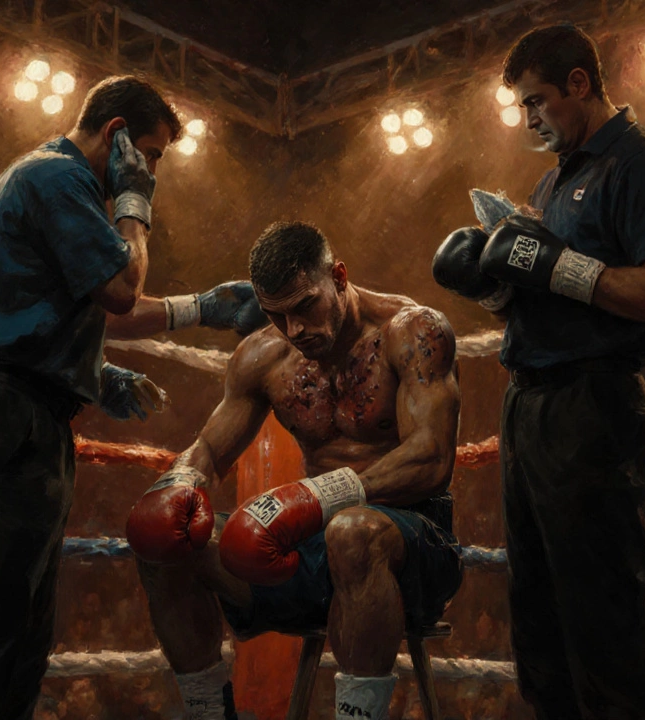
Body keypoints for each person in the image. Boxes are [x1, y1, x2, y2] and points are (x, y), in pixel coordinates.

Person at [0, 75, 266, 720]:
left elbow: (82, 305)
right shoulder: (59, 179)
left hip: (12, 410)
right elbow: (122, 290)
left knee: (19, 634)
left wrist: (107, 360)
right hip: (4, 417)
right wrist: (134, 205)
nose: (151, 172)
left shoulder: (37, 178)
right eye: (150, 155)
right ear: (117, 133)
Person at [432, 23, 645, 720]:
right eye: (522, 106)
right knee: (538, 619)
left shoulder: (638, 163)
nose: (529, 120)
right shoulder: (554, 181)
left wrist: (559, 266)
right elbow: (542, 301)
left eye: (536, 101)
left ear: (579, 83)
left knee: (602, 617)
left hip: (592, 404)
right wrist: (491, 288)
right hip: (529, 406)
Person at [127, 221, 464, 720]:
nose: (295, 329)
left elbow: (431, 457)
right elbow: (209, 450)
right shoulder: (263, 356)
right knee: (166, 549)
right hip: (311, 550)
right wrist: (178, 482)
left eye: (305, 305)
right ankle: (208, 713)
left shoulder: (412, 332)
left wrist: (315, 497)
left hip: (412, 542)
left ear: (339, 277)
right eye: (276, 314)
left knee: (352, 531)